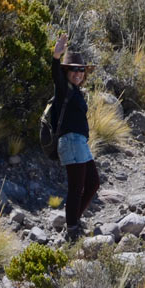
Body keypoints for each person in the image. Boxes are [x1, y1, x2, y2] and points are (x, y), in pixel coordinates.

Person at [50, 33, 100, 240]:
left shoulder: (76, 91)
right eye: (74, 70)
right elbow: (56, 76)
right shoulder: (64, 89)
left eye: (81, 70)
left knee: (93, 183)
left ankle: (73, 222)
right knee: (76, 187)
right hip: (71, 141)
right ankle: (72, 230)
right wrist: (56, 57)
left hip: (79, 142)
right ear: (66, 72)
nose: (78, 74)